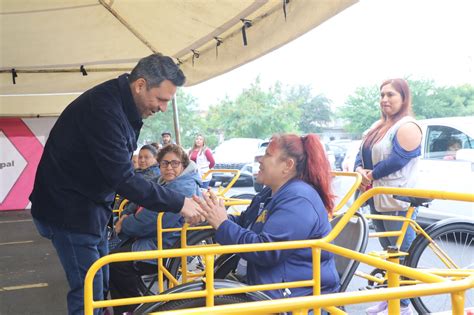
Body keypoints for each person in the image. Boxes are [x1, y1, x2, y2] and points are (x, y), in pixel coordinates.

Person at [29, 54, 202, 315]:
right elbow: (123, 178)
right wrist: (180, 203)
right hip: (70, 211)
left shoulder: (121, 104)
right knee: (88, 294)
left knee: (100, 284)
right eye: (161, 99)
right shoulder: (103, 109)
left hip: (89, 207)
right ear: (140, 85)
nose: (164, 108)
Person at [194, 133, 340, 304]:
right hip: (269, 285)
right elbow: (244, 223)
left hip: (295, 296)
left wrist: (223, 224)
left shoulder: (299, 199)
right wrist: (211, 216)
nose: (259, 160)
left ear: (288, 165)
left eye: (268, 155)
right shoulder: (271, 192)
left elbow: (267, 251)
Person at [354, 78, 422, 315]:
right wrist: (359, 171)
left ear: (403, 98)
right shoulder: (377, 126)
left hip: (398, 200)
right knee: (389, 252)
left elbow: (399, 159)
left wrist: (370, 175)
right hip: (376, 197)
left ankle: (402, 305)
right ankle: (389, 298)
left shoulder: (408, 125)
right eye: (382, 95)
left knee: (402, 252)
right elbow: (362, 153)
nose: (384, 99)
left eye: (391, 95)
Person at [109, 144, 202, 314]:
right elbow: (138, 199)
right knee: (111, 257)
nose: (169, 168)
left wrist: (125, 224)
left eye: (174, 163)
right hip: (154, 237)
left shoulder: (182, 188)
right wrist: (126, 215)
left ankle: (132, 310)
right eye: (164, 163)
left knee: (115, 262)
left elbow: (148, 223)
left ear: (183, 165)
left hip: (166, 244)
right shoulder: (162, 181)